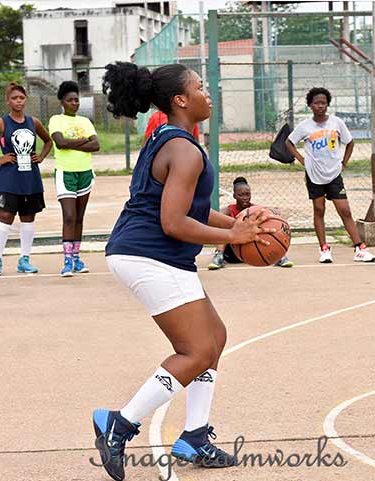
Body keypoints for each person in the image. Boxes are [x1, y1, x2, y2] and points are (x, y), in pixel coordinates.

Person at [94, 61, 272, 480]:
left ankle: (193, 437)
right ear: (180, 100)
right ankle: (119, 424)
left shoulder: (171, 138)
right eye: (199, 87)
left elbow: (190, 208)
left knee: (214, 338)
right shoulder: (184, 149)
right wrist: (235, 239)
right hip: (148, 253)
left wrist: (235, 223)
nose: (207, 92)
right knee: (195, 351)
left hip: (156, 252)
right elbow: (174, 221)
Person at [285, 87, 375, 264]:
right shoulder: (305, 126)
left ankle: (360, 248)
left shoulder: (336, 123)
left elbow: (350, 142)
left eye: (323, 103)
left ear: (328, 105)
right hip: (314, 174)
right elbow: (289, 142)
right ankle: (324, 249)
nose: (320, 106)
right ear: (310, 105)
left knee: (345, 210)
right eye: (317, 103)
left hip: (334, 174)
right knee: (319, 210)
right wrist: (302, 159)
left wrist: (344, 163)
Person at [0, 82, 52, 276]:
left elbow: (48, 141)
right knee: (5, 217)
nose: (19, 101)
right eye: (15, 98)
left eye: (22, 98)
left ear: (26, 100)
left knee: (28, 218)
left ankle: (24, 260)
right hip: (9, 179)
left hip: (30, 178)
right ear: (8, 101)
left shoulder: (34, 122)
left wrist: (40, 157)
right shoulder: (0, 123)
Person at [48, 81, 101, 277]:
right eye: (70, 100)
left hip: (85, 172)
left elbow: (96, 146)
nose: (74, 103)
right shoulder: (56, 120)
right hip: (66, 172)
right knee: (69, 216)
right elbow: (60, 143)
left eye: (77, 100)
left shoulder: (85, 122)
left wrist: (73, 144)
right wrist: (83, 141)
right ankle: (67, 261)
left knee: (79, 217)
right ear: (62, 102)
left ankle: (77, 258)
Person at [208, 176, 293, 269]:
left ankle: (279, 256)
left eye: (247, 194)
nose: (245, 198)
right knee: (224, 225)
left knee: (267, 224)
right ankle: (219, 255)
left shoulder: (256, 210)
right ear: (234, 196)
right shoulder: (228, 210)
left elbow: (272, 215)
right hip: (233, 251)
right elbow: (216, 221)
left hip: (252, 250)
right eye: (241, 195)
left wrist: (275, 212)